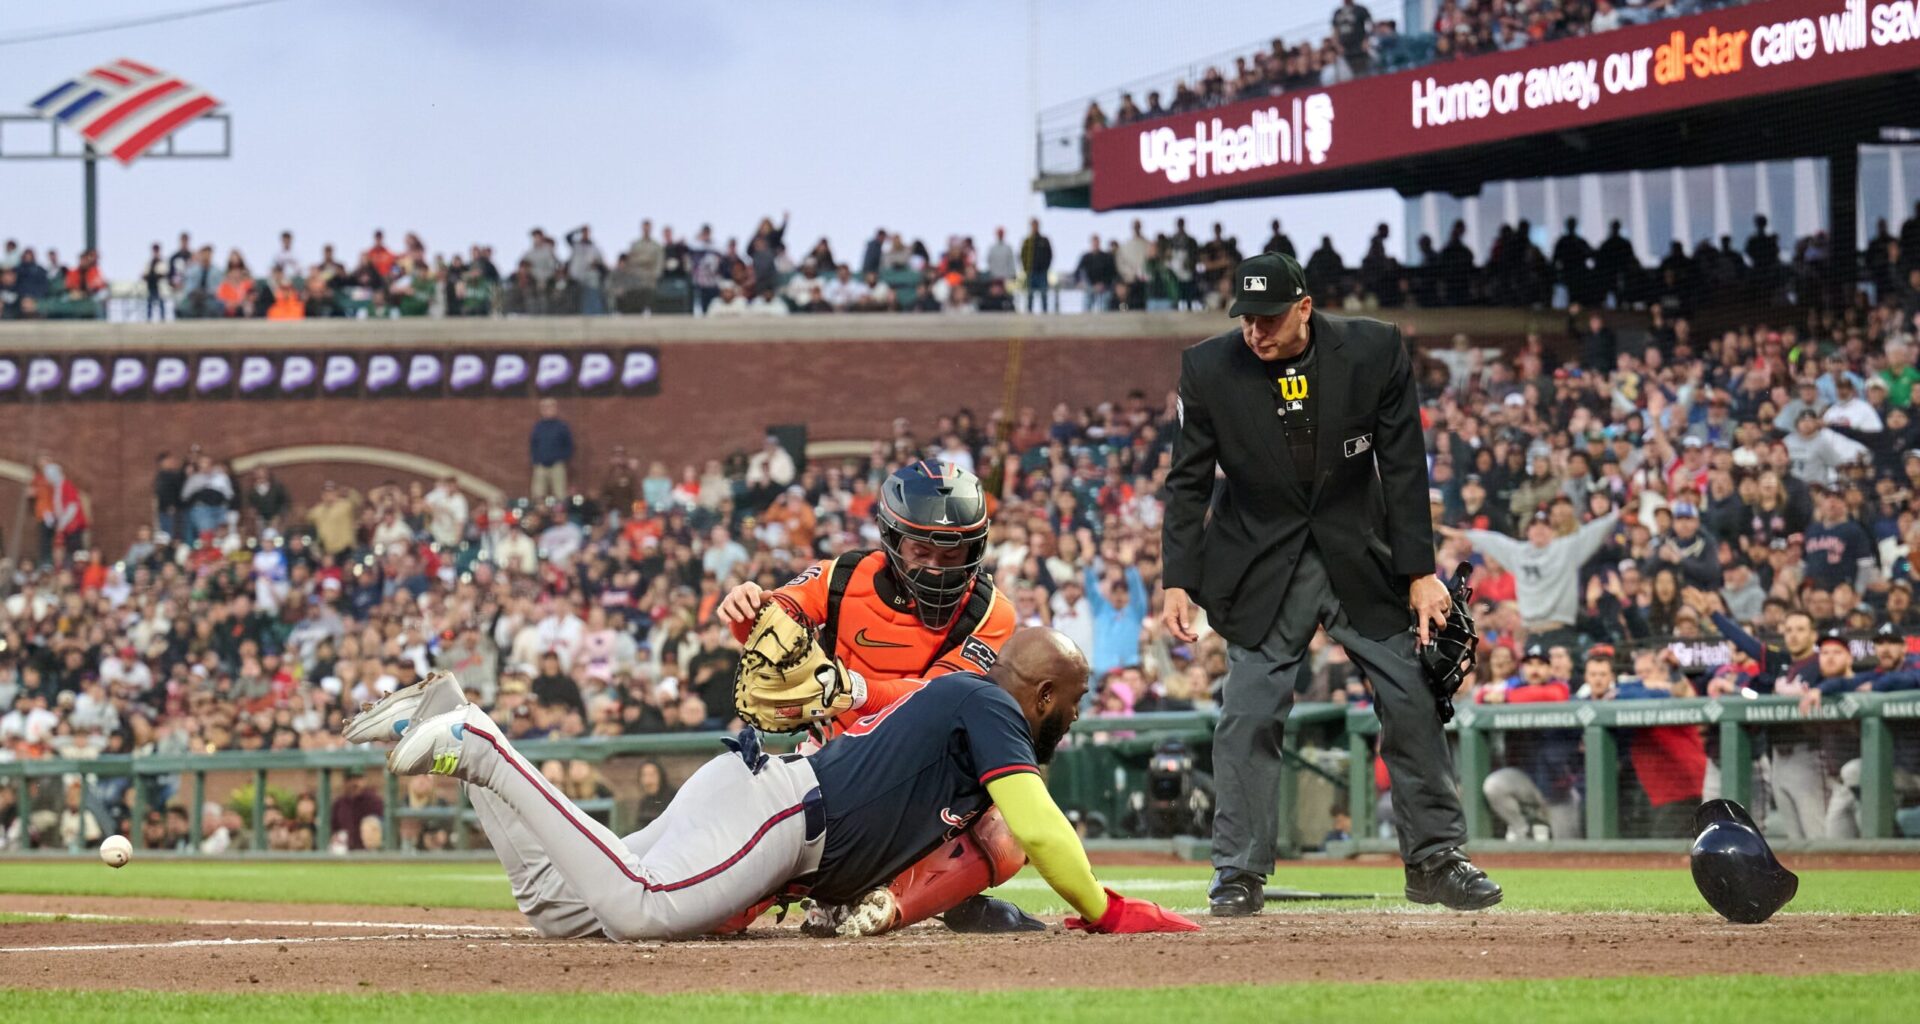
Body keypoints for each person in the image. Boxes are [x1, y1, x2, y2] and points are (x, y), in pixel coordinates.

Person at [368, 630, 1196, 940]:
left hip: (767, 797)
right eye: (1076, 703)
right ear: (1043, 695)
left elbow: (961, 850)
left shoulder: (968, 701)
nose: (1076, 720)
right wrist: (1107, 910)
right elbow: (1042, 829)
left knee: (558, 905)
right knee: (637, 909)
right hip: (786, 814)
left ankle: (449, 709)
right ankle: (480, 743)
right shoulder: (990, 703)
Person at [1161, 251, 1501, 916]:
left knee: (1412, 697)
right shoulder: (1207, 367)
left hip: (1357, 553)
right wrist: (1178, 580)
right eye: (1246, 320)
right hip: (1261, 561)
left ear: (1305, 307)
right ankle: (1238, 871)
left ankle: (1435, 858)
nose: (1255, 331)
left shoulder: (1374, 349)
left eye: (1268, 318)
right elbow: (1188, 481)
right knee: (1249, 713)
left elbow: (1403, 462)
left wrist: (1421, 571)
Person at [712, 462, 1025, 935]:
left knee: (1010, 828)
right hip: (834, 771)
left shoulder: (992, 613)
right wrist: (745, 608)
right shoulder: (841, 577)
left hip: (924, 784)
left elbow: (941, 697)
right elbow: (770, 624)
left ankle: (884, 905)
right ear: (893, 540)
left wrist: (851, 689)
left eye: (953, 553)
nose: (937, 569)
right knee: (717, 911)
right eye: (923, 551)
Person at [1441, 507, 1621, 640]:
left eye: (1545, 525)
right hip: (1531, 633)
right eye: (1534, 525)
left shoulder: (1566, 549)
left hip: (1560, 630)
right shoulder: (1518, 553)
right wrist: (1457, 533)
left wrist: (1616, 515)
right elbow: (1490, 540)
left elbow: (1594, 532)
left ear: (1553, 531)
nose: (1540, 529)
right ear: (1527, 531)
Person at [529, 398, 574, 501]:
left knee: (560, 494)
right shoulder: (538, 427)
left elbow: (569, 445)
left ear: (555, 409)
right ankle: (538, 515)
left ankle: (560, 515)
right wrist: (536, 459)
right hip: (540, 465)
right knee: (537, 494)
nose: (547, 410)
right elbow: (533, 444)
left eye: (550, 407)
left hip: (557, 465)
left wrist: (562, 458)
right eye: (544, 408)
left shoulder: (562, 426)